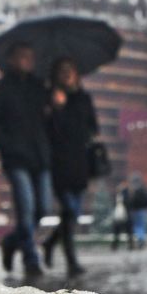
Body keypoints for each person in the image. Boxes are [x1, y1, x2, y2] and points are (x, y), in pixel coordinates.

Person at [0, 42, 50, 278]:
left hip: (40, 157)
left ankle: (10, 242)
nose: (26, 61)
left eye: (30, 56)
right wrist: (8, 144)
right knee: (27, 207)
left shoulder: (39, 87)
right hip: (16, 159)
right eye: (22, 56)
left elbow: (49, 120)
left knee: (43, 208)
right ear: (11, 59)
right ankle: (31, 258)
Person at [41, 56, 96, 275]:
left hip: (80, 163)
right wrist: (57, 109)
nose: (67, 74)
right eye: (62, 70)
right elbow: (50, 132)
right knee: (69, 209)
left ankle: (50, 242)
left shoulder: (83, 98)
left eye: (70, 70)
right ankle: (72, 261)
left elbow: (91, 127)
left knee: (71, 214)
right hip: (59, 163)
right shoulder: (50, 99)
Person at [123, 174, 147, 249]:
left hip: (134, 210)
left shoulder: (132, 189)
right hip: (143, 210)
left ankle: (140, 239)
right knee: (142, 225)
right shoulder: (144, 188)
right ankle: (142, 238)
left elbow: (128, 200)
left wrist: (130, 208)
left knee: (137, 226)